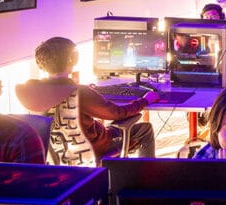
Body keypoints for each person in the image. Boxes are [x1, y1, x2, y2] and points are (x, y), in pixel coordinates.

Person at [16, 37, 159, 163]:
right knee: (144, 130)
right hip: (92, 149)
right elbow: (117, 113)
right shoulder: (80, 92)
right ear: (72, 59)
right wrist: (145, 100)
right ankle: (146, 178)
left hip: (59, 154)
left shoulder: (31, 90)